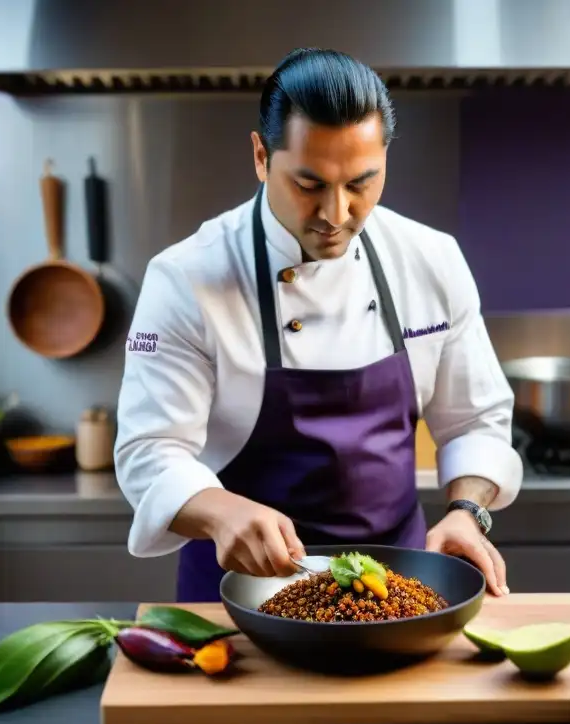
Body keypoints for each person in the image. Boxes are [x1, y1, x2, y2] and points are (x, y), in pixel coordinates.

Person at [113, 47, 523, 603]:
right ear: (261, 157)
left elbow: (476, 420)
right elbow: (148, 451)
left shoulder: (431, 259)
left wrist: (467, 512)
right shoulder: (187, 277)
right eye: (309, 186)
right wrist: (221, 511)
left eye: (361, 183)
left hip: (395, 591)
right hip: (241, 594)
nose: (336, 213)